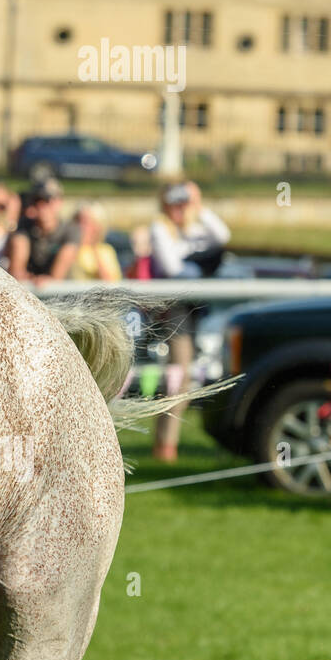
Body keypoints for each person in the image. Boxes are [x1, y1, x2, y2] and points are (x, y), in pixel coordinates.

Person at [147, 182, 230, 461]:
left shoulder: (193, 227)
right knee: (179, 377)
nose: (180, 206)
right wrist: (196, 262)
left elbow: (223, 235)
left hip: (198, 307)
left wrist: (198, 206)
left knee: (179, 377)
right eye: (176, 200)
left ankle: (163, 442)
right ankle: (166, 446)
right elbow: (172, 268)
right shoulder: (160, 228)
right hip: (176, 308)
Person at [6, 177, 79, 285]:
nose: (41, 206)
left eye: (47, 200)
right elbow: (16, 272)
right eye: (36, 200)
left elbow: (57, 277)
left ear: (59, 202)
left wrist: (47, 280)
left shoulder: (71, 230)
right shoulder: (23, 227)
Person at [69, 202, 122, 281]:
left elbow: (109, 283)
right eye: (77, 221)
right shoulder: (67, 248)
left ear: (97, 226)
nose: (80, 226)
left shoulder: (106, 251)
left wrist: (94, 249)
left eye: (85, 222)